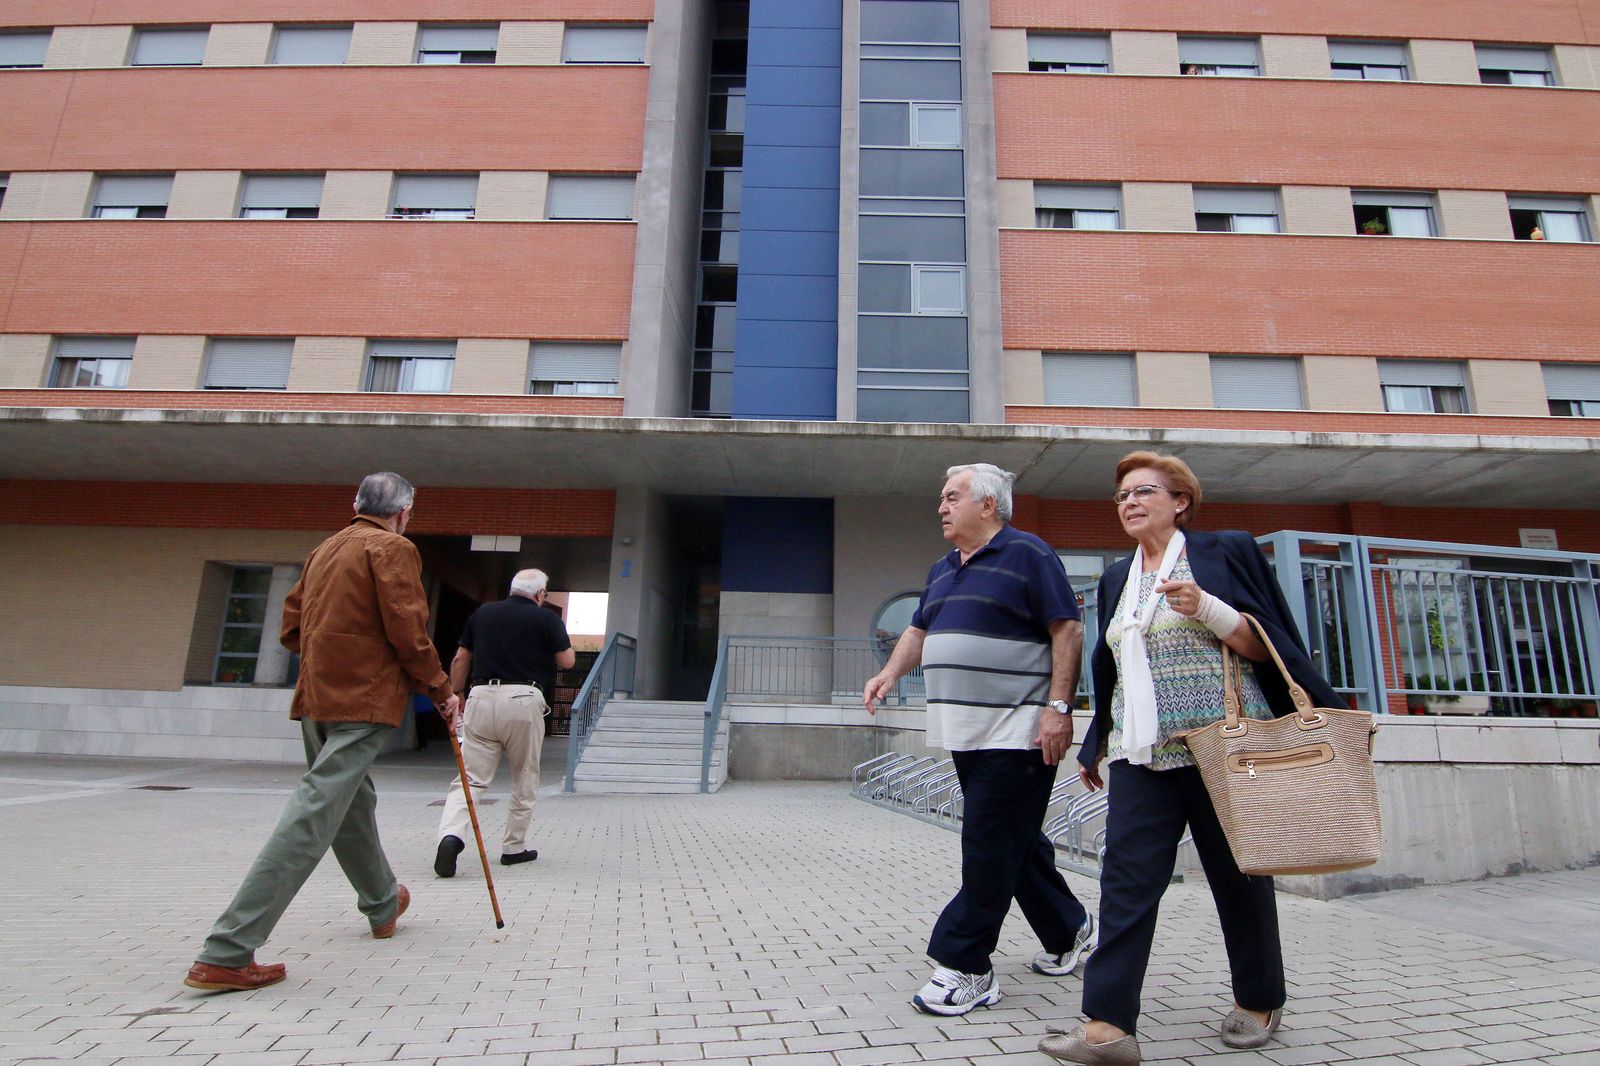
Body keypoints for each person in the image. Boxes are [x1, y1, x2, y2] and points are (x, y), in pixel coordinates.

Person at [1039, 451, 1344, 1064]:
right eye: (1121, 495)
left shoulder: (1223, 551)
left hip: (1223, 750)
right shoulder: (1117, 577)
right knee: (1125, 883)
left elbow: (1270, 643)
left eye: (1143, 491)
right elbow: (1113, 668)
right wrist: (1098, 741)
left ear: (1180, 501)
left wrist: (1207, 607)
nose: (1129, 502)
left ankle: (1259, 999)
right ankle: (1108, 1028)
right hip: (1143, 755)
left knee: (1239, 878)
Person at [184, 472, 460, 992]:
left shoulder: (324, 550)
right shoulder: (393, 548)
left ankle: (382, 901)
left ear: (358, 505)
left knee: (348, 800)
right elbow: (408, 631)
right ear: (403, 513)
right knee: (315, 810)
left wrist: (335, 652)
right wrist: (441, 689)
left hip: (317, 697)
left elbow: (292, 629)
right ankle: (227, 950)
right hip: (364, 698)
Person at [863, 463, 1094, 1016]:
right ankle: (1071, 928)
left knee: (988, 842)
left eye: (951, 497)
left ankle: (967, 964)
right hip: (965, 734)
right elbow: (918, 629)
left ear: (987, 505)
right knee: (1014, 839)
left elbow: (1067, 628)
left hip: (1019, 730)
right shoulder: (943, 568)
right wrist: (890, 672)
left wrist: (1059, 709)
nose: (941, 507)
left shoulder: (1030, 554)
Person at [433, 568, 574, 877]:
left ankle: (451, 835)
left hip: (481, 696)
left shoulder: (483, 613)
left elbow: (460, 658)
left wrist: (457, 694)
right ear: (540, 594)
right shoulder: (546, 618)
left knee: (471, 777)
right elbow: (567, 661)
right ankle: (513, 847)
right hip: (524, 698)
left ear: (512, 589)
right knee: (525, 775)